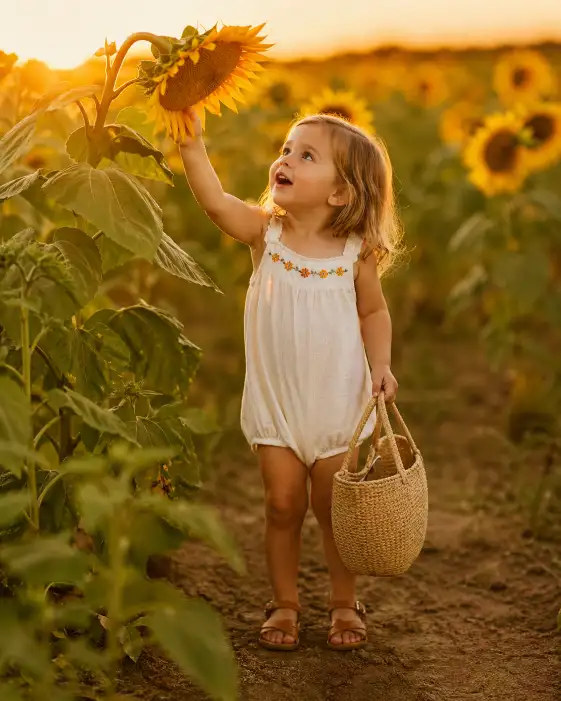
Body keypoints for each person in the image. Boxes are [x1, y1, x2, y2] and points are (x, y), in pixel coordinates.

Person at [178, 109, 401, 651]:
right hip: (277, 404)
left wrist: (381, 365)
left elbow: (374, 314)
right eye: (286, 148)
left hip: (336, 407)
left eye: (307, 156)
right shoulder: (265, 233)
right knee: (281, 504)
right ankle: (285, 604)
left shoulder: (355, 256)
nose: (285, 160)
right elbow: (215, 202)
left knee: (332, 511)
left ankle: (344, 604)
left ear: (341, 195)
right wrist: (192, 147)